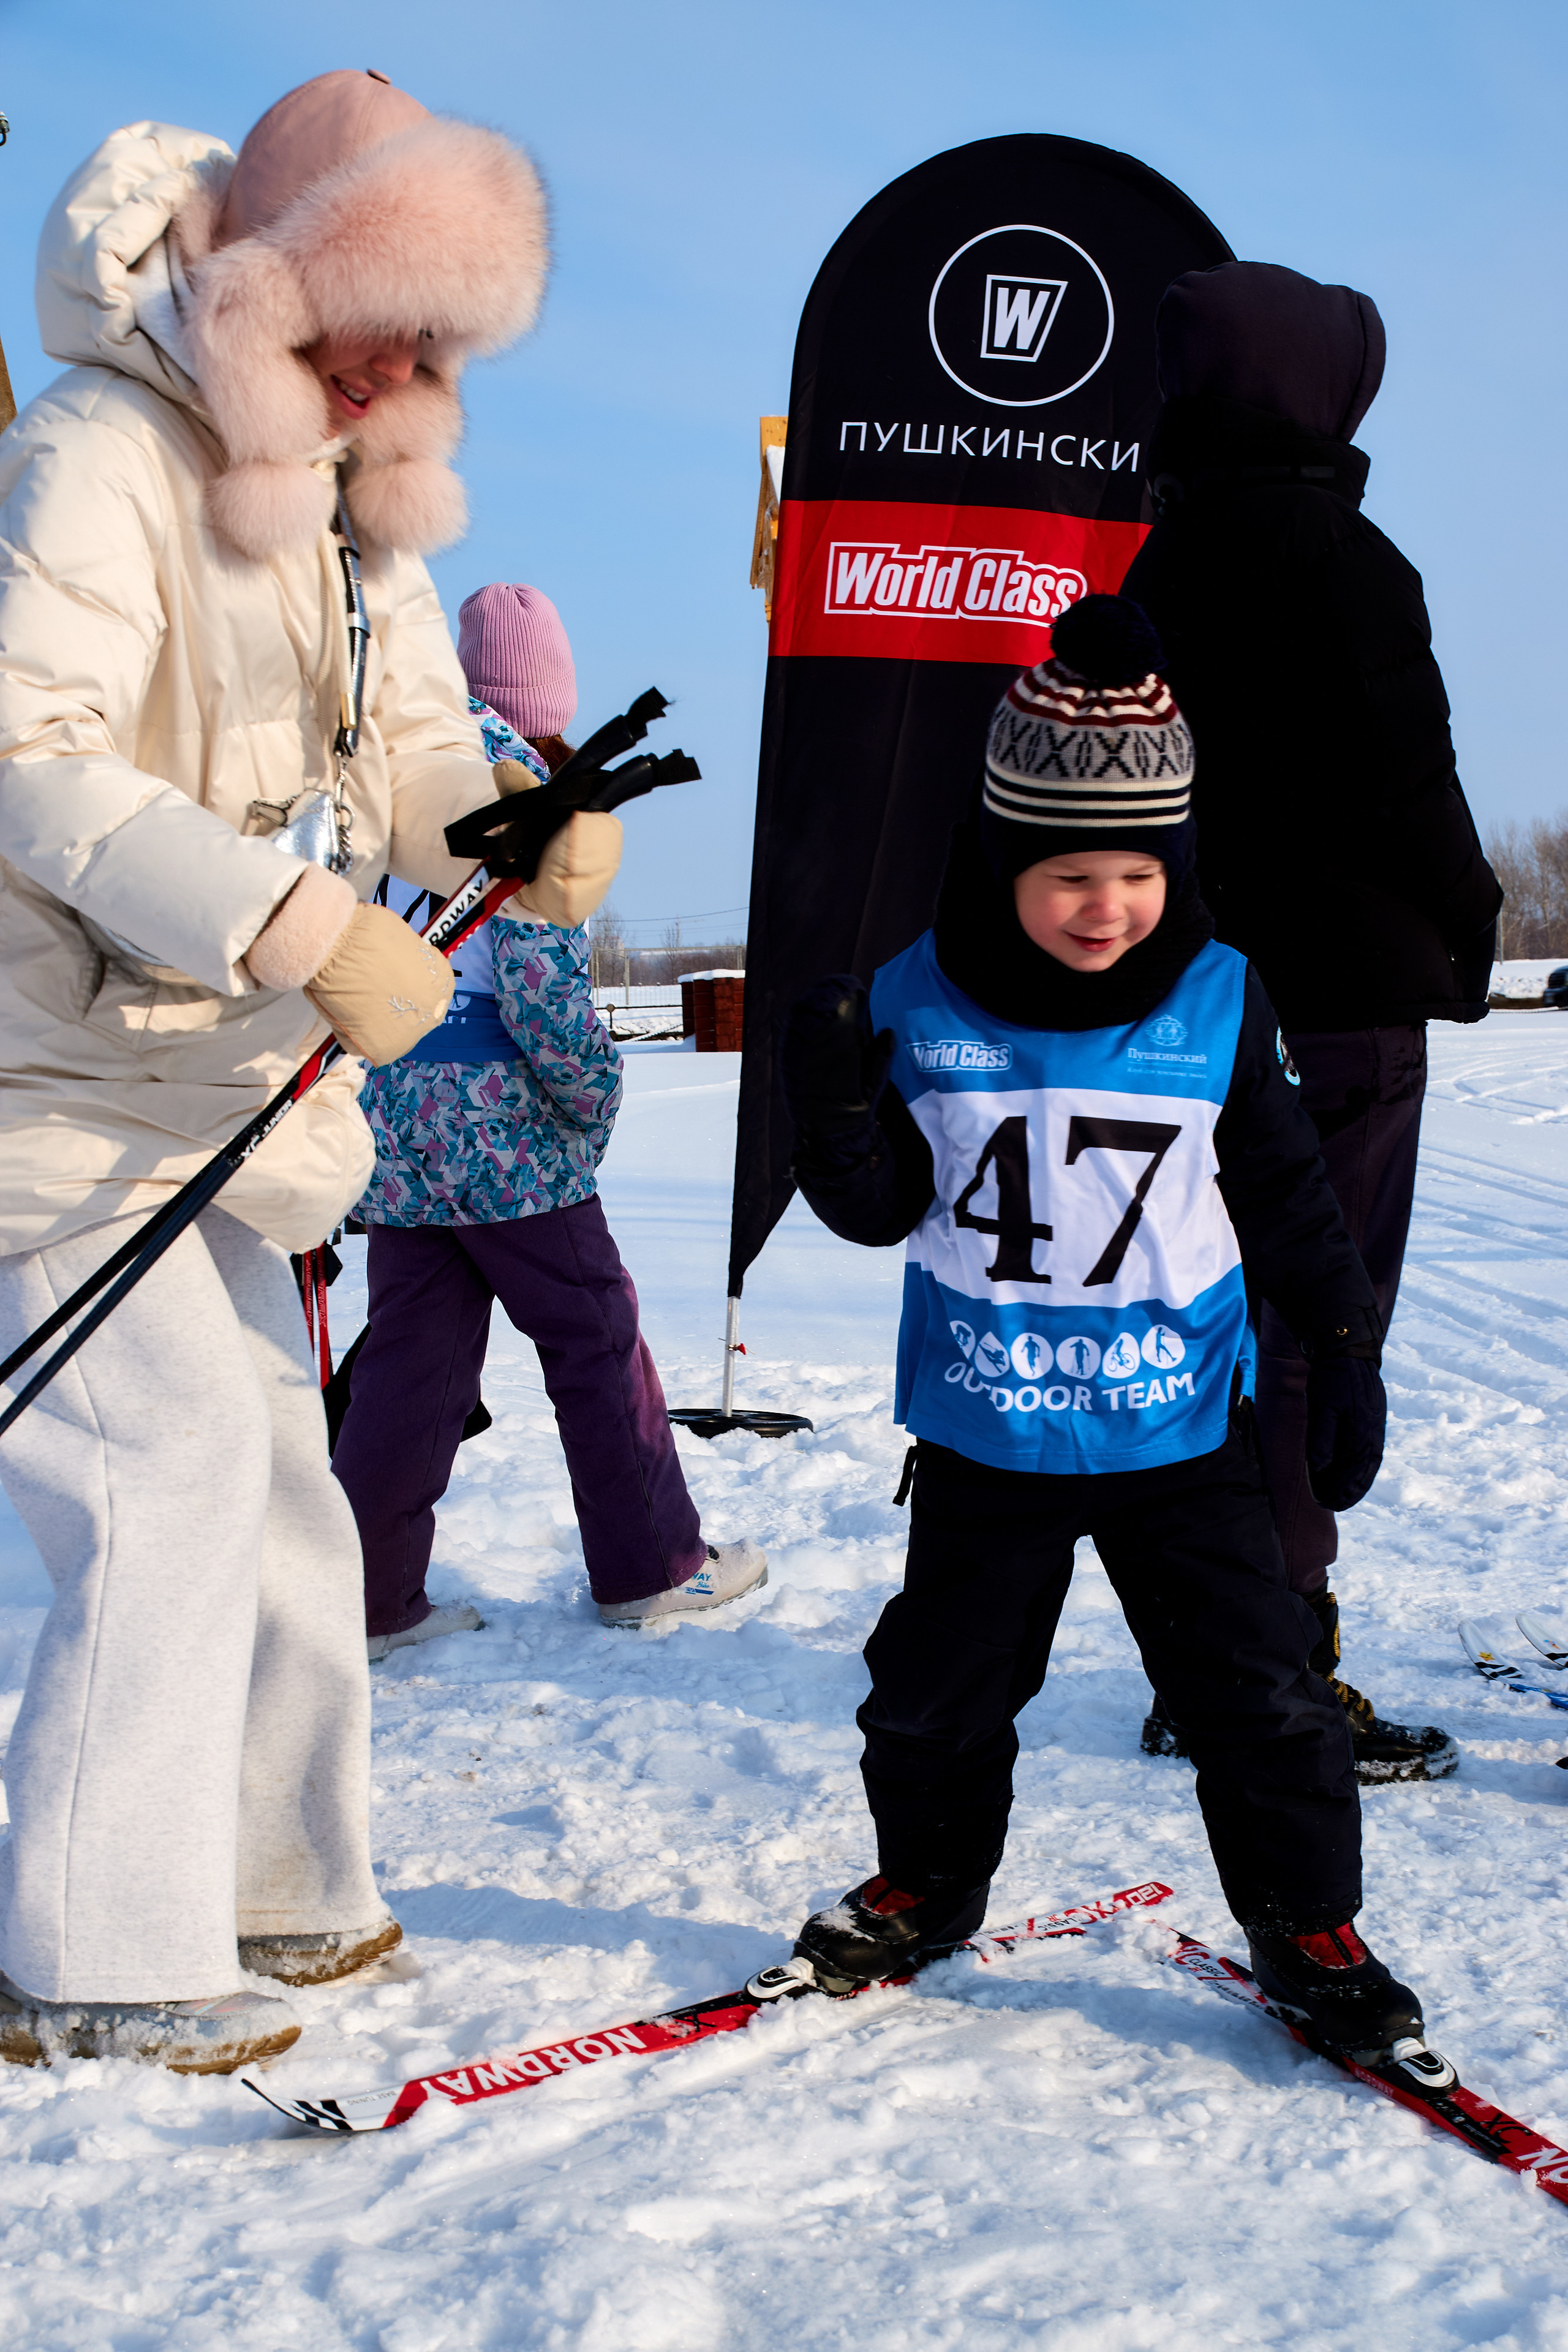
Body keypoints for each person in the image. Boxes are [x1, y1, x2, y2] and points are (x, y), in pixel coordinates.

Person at [0, 70, 603, 2071]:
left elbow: (418, 756)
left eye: (441, 335)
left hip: (217, 1105)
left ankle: (274, 1882)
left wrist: (507, 831)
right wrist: (291, 925)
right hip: (42, 1092)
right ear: (271, 288)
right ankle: (96, 1953)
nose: (412, 370)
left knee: (279, 1489)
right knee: (160, 1472)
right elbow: (27, 757)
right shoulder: (98, 451)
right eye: (387, 320)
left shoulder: (364, 510)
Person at [772, 594, 1453, 2082]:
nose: (1105, 905)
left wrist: (1342, 1340)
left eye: (1138, 870)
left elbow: (1284, 1194)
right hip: (982, 1433)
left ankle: (1305, 1924)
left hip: (1177, 1433)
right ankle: (928, 1882)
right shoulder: (918, 997)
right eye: (1070, 872)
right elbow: (876, 1208)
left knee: (1258, 1697)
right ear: (1007, 858)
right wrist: (829, 1100)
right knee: (934, 1694)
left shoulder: (1216, 999)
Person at [1119, 262, 1501, 1785]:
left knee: (1215, 1327)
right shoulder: (1345, 559)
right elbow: (1409, 777)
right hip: (1336, 1017)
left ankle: (1213, 1653)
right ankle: (1265, 1669)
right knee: (1311, 1330)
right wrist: (1467, 926)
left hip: (1190, 1007)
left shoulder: (1155, 562)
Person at [334, 581, 767, 1638]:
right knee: (595, 1342)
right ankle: (652, 1569)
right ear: (548, 695)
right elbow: (539, 983)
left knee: (409, 1361)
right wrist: (592, 1097)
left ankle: (366, 1600)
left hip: (394, 1121)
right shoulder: (520, 783)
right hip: (508, 1139)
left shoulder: (387, 773)